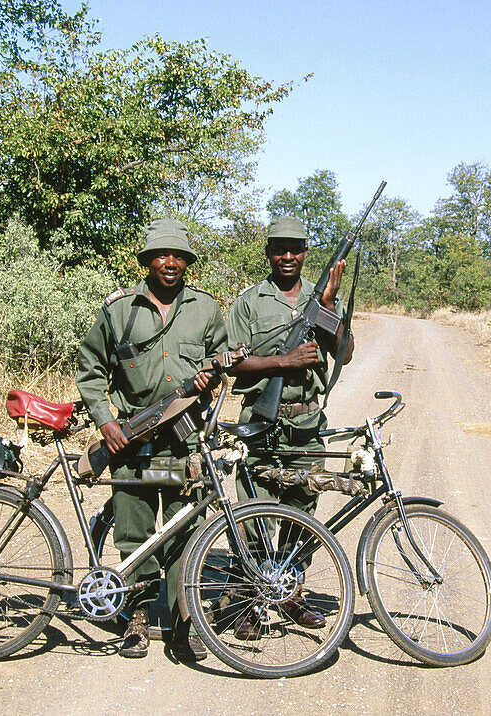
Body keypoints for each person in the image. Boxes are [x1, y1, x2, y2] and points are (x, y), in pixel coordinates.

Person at [75, 218, 227, 661]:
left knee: (186, 532)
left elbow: (222, 357)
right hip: (131, 443)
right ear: (146, 260)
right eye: (161, 255)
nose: (170, 263)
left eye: (179, 255)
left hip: (184, 442)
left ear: (187, 263)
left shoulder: (205, 308)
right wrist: (106, 422)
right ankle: (137, 620)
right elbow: (90, 368)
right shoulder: (119, 310)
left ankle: (185, 623)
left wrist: (211, 374)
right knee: (135, 533)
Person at [226, 215, 354, 640]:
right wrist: (285, 361)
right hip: (260, 423)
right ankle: (248, 599)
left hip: (306, 424)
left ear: (305, 254)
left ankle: (290, 592)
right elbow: (234, 364)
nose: (287, 256)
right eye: (279, 248)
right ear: (268, 252)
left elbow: (346, 354)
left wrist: (330, 306)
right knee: (252, 516)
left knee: (302, 512)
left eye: (295, 248)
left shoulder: (320, 302)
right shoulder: (249, 302)